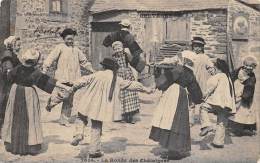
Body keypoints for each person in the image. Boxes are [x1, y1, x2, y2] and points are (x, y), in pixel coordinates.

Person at [47, 57, 153, 158]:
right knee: (96, 126)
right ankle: (94, 150)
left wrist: (72, 86)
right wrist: (146, 89)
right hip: (101, 107)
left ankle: (78, 134)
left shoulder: (96, 74)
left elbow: (81, 81)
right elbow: (131, 85)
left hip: (88, 101)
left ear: (104, 67)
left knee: (80, 118)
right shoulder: (117, 79)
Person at [1, 49, 70, 155]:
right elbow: (47, 81)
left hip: (15, 93)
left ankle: (13, 144)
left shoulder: (17, 68)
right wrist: (64, 85)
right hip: (28, 94)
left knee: (15, 116)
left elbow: (8, 78)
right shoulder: (34, 72)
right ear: (34, 61)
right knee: (29, 117)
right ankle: (30, 145)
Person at [149, 54, 202, 160]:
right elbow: (194, 88)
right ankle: (175, 149)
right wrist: (198, 99)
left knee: (168, 120)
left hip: (172, 94)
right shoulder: (189, 72)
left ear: (185, 60)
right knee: (178, 122)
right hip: (181, 95)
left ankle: (172, 150)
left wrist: (157, 85)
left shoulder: (177, 68)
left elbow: (165, 80)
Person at [43, 28, 94, 127]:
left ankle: (64, 120)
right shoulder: (60, 48)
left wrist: (92, 70)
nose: (70, 41)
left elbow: (84, 61)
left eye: (72, 39)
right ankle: (51, 103)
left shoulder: (77, 50)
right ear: (64, 39)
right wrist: (45, 68)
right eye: (68, 39)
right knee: (61, 95)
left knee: (69, 99)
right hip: (62, 77)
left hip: (74, 78)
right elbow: (51, 58)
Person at [199, 59, 236, 148]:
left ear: (216, 68)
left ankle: (206, 125)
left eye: (211, 68)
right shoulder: (228, 77)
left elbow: (210, 87)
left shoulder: (218, 76)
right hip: (227, 104)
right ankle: (218, 142)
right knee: (222, 122)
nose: (209, 71)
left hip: (217, 101)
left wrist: (203, 96)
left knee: (203, 108)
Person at [111, 41, 140, 124]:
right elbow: (112, 67)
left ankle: (131, 116)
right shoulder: (113, 57)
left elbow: (133, 62)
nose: (118, 50)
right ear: (114, 50)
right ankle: (122, 116)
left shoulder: (126, 55)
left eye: (119, 48)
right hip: (119, 76)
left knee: (130, 94)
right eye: (116, 49)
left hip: (128, 75)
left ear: (122, 48)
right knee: (120, 95)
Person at [229, 55, 258, 136]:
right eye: (246, 68)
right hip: (237, 90)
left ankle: (241, 130)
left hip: (245, 95)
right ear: (244, 66)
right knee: (235, 111)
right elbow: (232, 76)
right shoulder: (238, 71)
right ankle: (235, 128)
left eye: (250, 68)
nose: (248, 70)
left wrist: (245, 97)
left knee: (243, 113)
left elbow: (250, 87)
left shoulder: (251, 77)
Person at [0, 36, 21, 137]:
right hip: (6, 86)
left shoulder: (12, 55)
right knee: (4, 106)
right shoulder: (8, 56)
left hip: (9, 85)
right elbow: (8, 70)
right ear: (11, 45)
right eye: (18, 45)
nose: (20, 47)